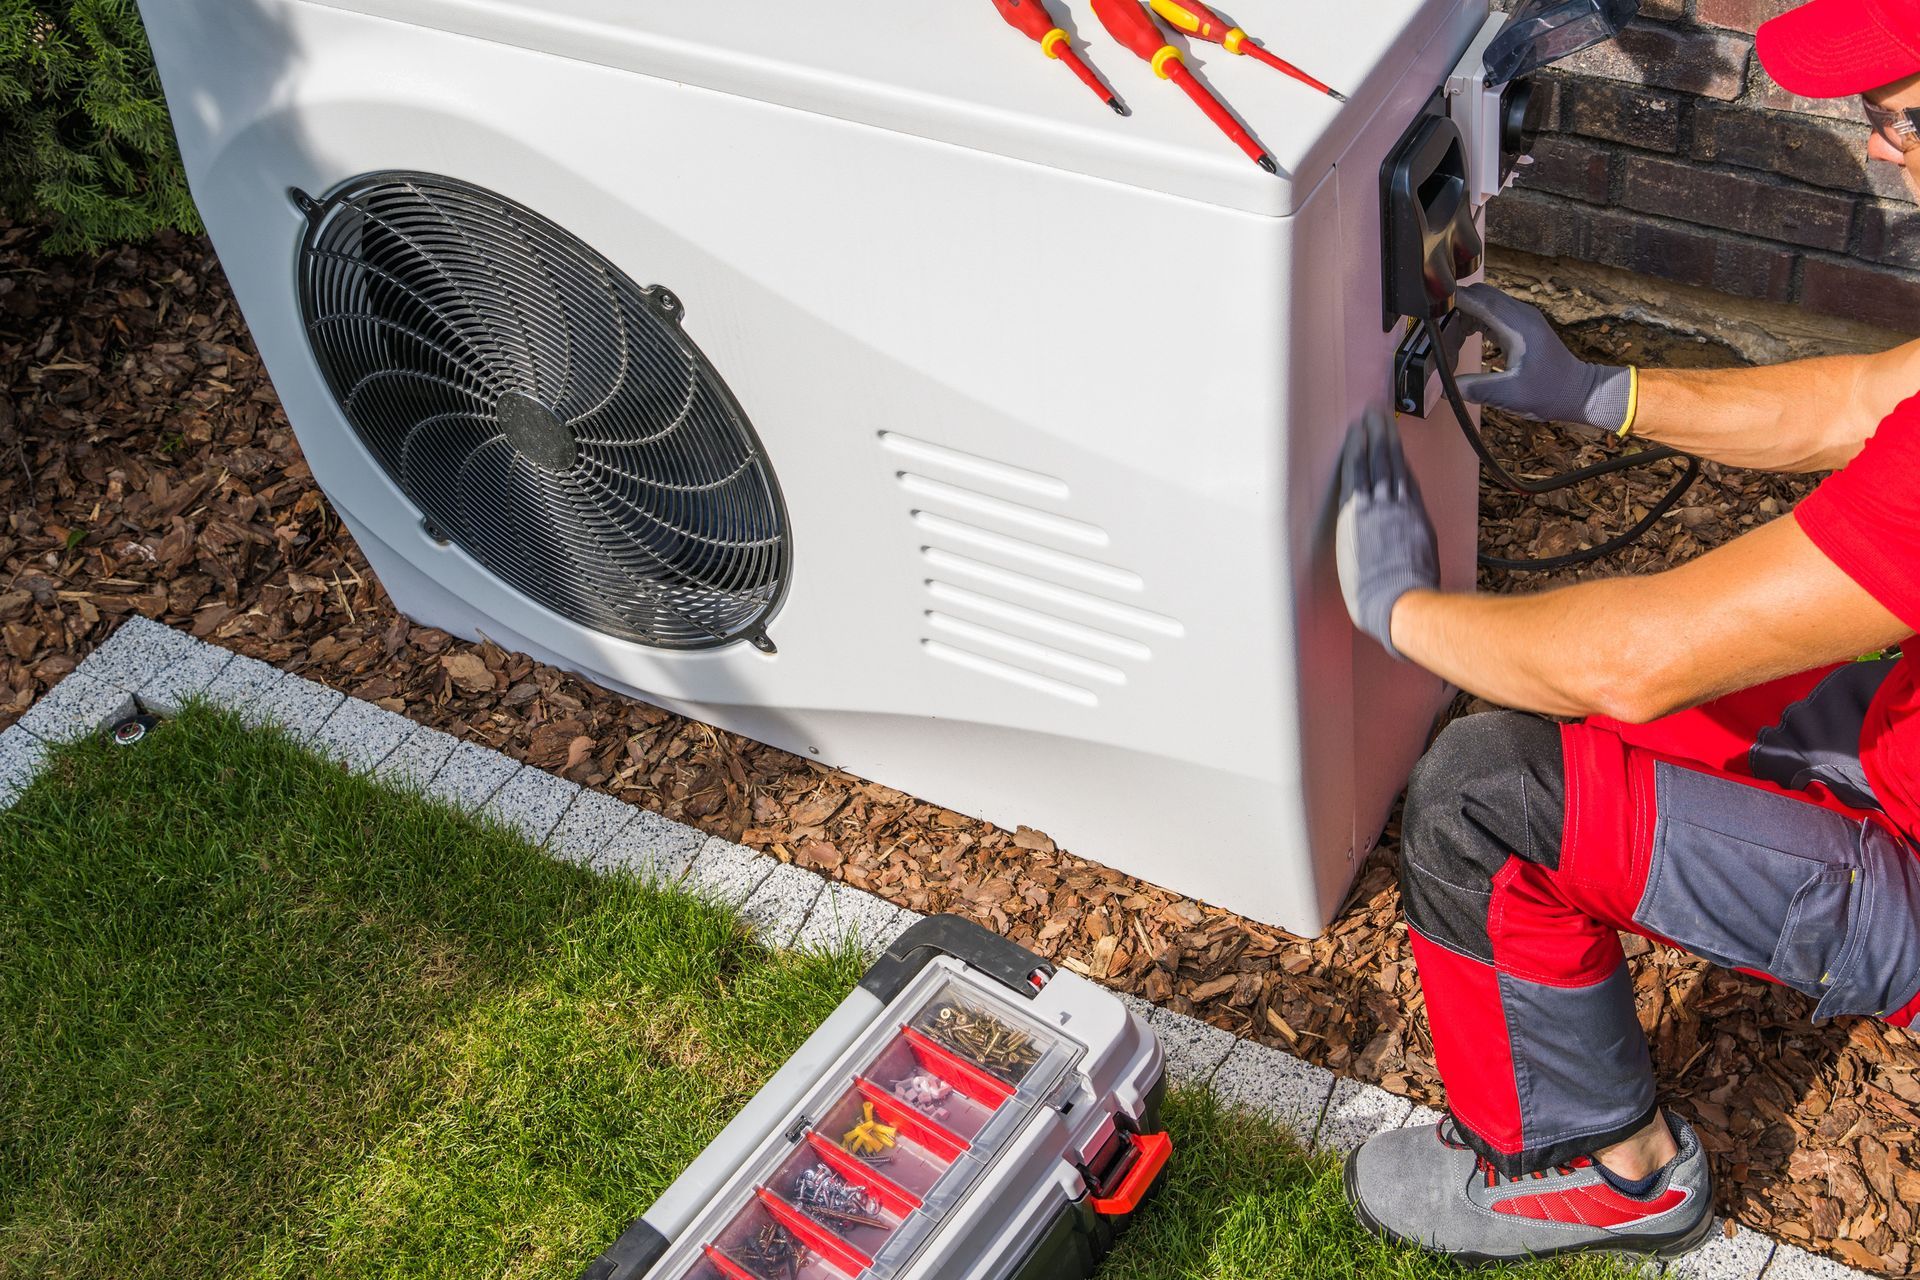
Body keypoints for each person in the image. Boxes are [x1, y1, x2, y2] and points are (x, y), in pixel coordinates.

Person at [1337, 0, 1920, 1263]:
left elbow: (1633, 658)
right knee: (1582, 716)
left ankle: (1598, 1168)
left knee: (1483, 794)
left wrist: (1396, 611)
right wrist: (1610, 393)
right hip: (1897, 744)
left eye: (1899, 116)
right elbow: (1868, 394)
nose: (1881, 151)